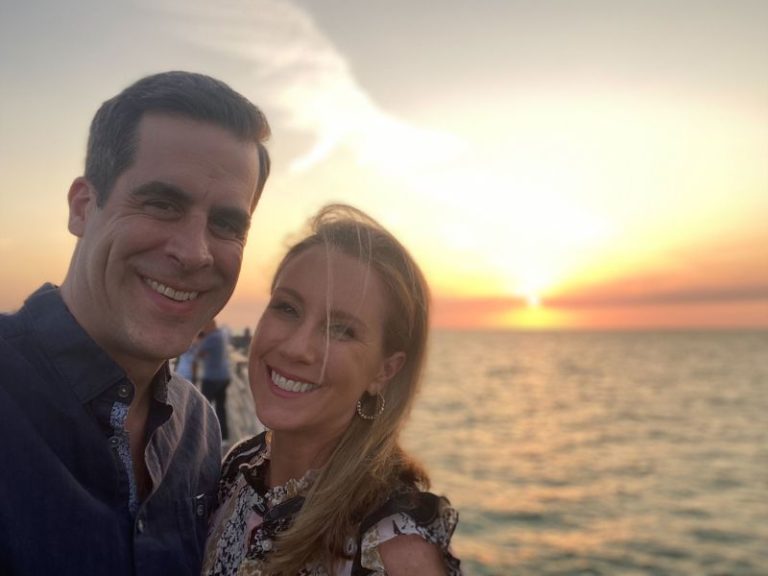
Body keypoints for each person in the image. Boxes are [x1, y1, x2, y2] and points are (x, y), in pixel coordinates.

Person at [0, 71, 271, 575]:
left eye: (226, 224)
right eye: (162, 204)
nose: (194, 252)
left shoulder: (197, 429)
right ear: (83, 207)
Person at [203, 204, 462, 575]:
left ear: (385, 370)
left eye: (341, 330)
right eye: (287, 308)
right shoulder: (239, 469)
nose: (296, 348)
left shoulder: (393, 550)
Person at [198, 318, 233, 441]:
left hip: (212, 378)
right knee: (220, 407)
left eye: (205, 326)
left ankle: (202, 435)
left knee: (203, 407)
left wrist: (202, 338)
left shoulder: (211, 338)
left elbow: (199, 353)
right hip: (224, 376)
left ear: (210, 325)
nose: (203, 329)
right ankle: (224, 437)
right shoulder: (222, 335)